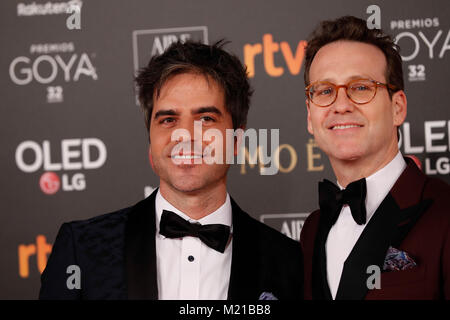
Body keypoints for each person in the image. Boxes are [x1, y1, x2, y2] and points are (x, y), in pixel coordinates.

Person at [39, 40, 303, 300]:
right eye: (168, 119)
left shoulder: (288, 261)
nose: (185, 135)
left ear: (236, 142)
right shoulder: (82, 248)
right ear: (151, 143)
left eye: (205, 119)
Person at [300, 16, 450, 300]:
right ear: (310, 117)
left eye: (360, 87)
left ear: (398, 107)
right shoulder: (312, 230)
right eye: (325, 91)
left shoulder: (444, 213)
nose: (341, 105)